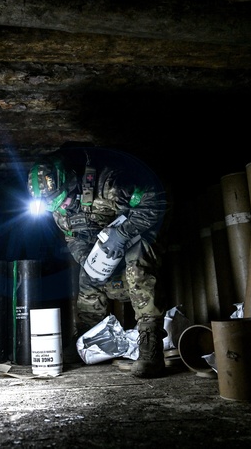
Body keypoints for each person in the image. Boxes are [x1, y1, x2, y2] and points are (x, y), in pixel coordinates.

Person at [26, 146, 170, 378]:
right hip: (105, 249)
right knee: (87, 275)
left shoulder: (111, 184)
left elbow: (157, 201)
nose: (62, 208)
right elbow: (72, 237)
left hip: (137, 238)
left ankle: (150, 345)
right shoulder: (58, 208)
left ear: (73, 183)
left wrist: (121, 234)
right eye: (56, 206)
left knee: (137, 260)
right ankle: (87, 337)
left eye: (64, 201)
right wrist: (86, 258)